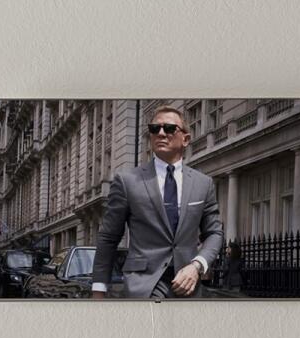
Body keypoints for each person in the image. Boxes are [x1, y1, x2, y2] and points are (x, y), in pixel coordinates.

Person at [92, 104, 222, 298]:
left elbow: (214, 233)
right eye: (155, 129)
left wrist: (197, 266)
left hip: (188, 287)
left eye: (169, 128)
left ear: (185, 139)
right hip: (143, 287)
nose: (160, 133)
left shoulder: (204, 184)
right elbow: (109, 237)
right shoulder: (127, 181)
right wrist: (98, 290)